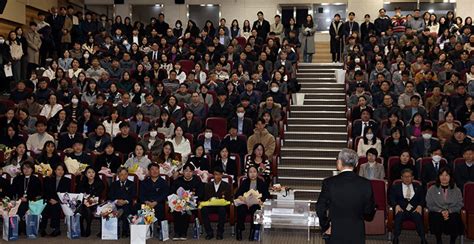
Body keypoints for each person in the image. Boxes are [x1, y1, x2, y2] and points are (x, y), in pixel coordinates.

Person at [316, 148, 375, 244]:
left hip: (335, 231)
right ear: (356, 164)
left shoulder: (329, 183)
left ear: (339, 163)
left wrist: (326, 226)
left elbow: (320, 208)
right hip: (357, 232)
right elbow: (369, 212)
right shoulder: (366, 184)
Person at [389, 168, 428, 244]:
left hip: (414, 210)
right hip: (401, 209)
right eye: (405, 176)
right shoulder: (395, 187)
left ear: (413, 177)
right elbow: (391, 198)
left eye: (409, 176)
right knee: (398, 216)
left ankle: (423, 239)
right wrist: (396, 205)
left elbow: (423, 199)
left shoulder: (418, 187)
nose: (407, 178)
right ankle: (396, 238)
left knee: (418, 216)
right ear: (401, 177)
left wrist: (420, 206)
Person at [426, 168, 464, 244]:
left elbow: (459, 204)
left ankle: (452, 241)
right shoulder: (432, 189)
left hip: (452, 211)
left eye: (446, 175)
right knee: (436, 217)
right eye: (441, 175)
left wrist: (448, 211)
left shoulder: (457, 190)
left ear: (450, 177)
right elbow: (429, 204)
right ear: (438, 177)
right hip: (437, 211)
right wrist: (441, 211)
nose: (444, 177)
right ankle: (439, 240)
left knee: (455, 218)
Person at [235, 165, 270, 241]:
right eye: (250, 172)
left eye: (254, 172)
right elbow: (238, 193)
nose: (252, 174)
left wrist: (261, 200)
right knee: (241, 209)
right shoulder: (245, 182)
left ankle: (253, 231)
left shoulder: (261, 182)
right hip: (245, 203)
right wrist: (241, 197)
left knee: (256, 210)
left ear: (257, 173)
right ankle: (239, 230)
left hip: (255, 204)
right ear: (248, 174)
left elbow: (266, 195)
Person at [170, 163, 203, 240]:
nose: (188, 173)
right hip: (178, 203)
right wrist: (178, 200)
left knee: (185, 209)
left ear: (193, 172)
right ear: (183, 172)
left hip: (192, 204)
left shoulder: (197, 181)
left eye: (190, 171)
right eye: (186, 171)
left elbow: (201, 194)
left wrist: (190, 198)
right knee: (177, 209)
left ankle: (183, 233)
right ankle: (177, 232)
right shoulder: (178, 181)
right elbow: (171, 192)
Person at [10, 161, 42, 235]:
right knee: (20, 205)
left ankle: (23, 228)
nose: (26, 170)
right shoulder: (17, 179)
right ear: (22, 170)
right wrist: (16, 199)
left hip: (32, 201)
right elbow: (12, 191)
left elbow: (38, 193)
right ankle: (20, 228)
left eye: (28, 168)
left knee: (24, 206)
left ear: (32, 169)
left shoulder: (36, 180)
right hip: (19, 200)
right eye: (24, 168)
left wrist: (28, 199)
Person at [201, 166, 233, 240]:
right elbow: (205, 198)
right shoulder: (208, 185)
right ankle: (209, 232)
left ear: (222, 175)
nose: (217, 176)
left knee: (222, 210)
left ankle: (220, 232)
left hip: (221, 206)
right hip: (210, 206)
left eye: (219, 174)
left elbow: (228, 198)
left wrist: (219, 200)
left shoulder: (227, 186)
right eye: (216, 174)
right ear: (213, 175)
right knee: (203, 209)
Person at [40, 164, 71, 237]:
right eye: (58, 169)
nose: (60, 171)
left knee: (55, 207)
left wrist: (57, 200)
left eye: (62, 170)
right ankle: (42, 228)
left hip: (61, 201)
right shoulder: (48, 179)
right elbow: (45, 192)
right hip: (49, 200)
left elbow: (67, 194)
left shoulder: (67, 181)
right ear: (55, 170)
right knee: (45, 207)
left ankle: (56, 229)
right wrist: (50, 199)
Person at [139, 163, 169, 233]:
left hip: (158, 203)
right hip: (147, 203)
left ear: (159, 170)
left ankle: (160, 227)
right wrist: (147, 202)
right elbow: (141, 195)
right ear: (149, 171)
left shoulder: (164, 182)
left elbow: (165, 194)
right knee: (138, 207)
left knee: (160, 207)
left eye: (156, 169)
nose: (155, 171)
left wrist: (156, 202)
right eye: (152, 169)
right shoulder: (144, 182)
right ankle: (144, 228)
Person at [108, 167, 136, 238]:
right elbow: (110, 195)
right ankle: (115, 230)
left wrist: (125, 201)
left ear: (127, 175)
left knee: (126, 210)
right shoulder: (114, 184)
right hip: (116, 203)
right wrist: (117, 201)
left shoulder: (132, 184)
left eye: (125, 174)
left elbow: (133, 195)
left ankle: (125, 231)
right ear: (118, 175)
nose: (123, 176)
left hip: (126, 203)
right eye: (121, 174)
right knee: (112, 209)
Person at [77, 166, 104, 237]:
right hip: (83, 203)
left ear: (95, 174)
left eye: (93, 172)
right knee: (82, 207)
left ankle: (88, 227)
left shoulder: (99, 183)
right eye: (89, 172)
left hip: (95, 203)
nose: (91, 174)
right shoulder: (82, 182)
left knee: (87, 208)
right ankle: (82, 227)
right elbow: (79, 194)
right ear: (85, 174)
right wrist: (85, 200)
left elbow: (98, 195)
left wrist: (89, 199)